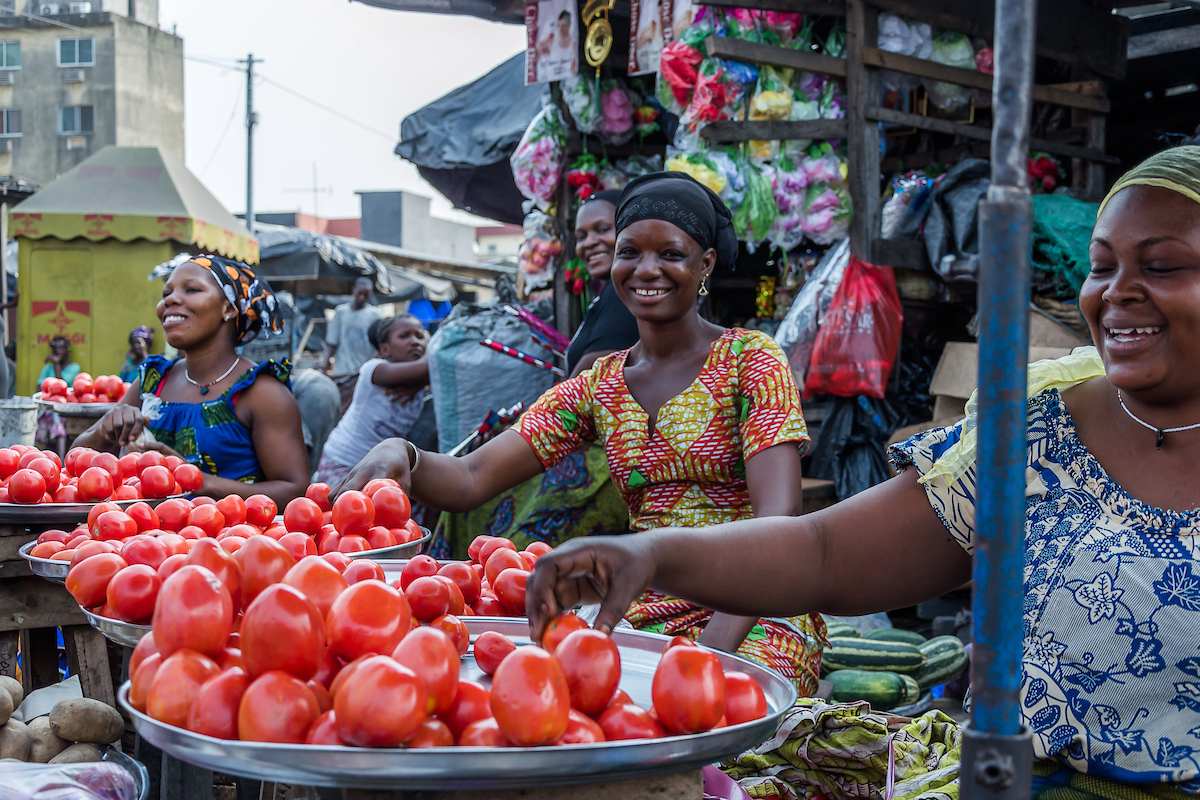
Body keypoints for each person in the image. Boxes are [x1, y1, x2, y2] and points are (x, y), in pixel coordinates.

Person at [526, 146, 1200, 796]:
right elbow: (820, 552)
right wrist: (650, 554)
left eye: (1162, 266)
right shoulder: (1039, 432)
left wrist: (707, 642)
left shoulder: (748, 362)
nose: (1117, 293)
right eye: (1102, 266)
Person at [339, 172, 824, 694]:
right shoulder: (602, 385)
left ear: (704, 264)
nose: (647, 269)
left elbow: (778, 528)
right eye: (630, 251)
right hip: (649, 606)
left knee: (722, 720)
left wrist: (709, 653)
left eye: (670, 254)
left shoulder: (751, 360)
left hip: (756, 609)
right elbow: (473, 476)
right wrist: (404, 454)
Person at [74, 255, 308, 507]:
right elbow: (75, 461)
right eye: (166, 293)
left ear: (228, 308)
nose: (170, 300)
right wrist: (106, 428)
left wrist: (194, 480)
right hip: (141, 539)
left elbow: (293, 490)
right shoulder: (152, 382)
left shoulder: (261, 392)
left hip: (228, 542)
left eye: (192, 289)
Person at [315, 315, 430, 487]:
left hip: (381, 466)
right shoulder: (375, 370)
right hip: (344, 462)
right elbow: (429, 364)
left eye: (419, 336)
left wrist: (420, 383)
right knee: (348, 510)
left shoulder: (422, 383)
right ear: (384, 350)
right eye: (404, 336)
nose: (414, 342)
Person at [567, 190, 641, 377]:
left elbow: (593, 374)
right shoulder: (611, 291)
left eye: (603, 229)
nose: (589, 243)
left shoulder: (626, 291)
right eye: (581, 236)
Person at [324, 277, 381, 416]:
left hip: (362, 374)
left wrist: (365, 367)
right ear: (353, 291)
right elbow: (332, 341)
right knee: (341, 408)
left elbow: (378, 347)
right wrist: (325, 363)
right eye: (360, 292)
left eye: (366, 294)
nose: (362, 296)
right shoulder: (341, 312)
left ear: (371, 294)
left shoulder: (374, 315)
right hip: (343, 372)